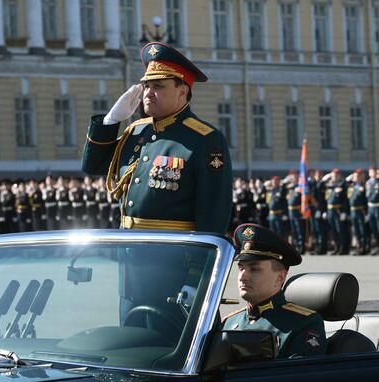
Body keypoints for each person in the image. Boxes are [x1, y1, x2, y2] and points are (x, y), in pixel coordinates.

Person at [82, 41, 232, 233]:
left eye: (158, 86)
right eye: (146, 86)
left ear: (182, 91)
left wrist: (199, 261)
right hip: (129, 248)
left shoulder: (205, 139)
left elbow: (213, 211)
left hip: (173, 253)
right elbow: (93, 166)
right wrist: (110, 121)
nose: (148, 93)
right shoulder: (136, 131)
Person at [223, 223, 326, 358]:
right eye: (241, 268)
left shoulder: (303, 324)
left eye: (254, 269)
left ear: (280, 277)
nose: (243, 276)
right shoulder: (228, 322)